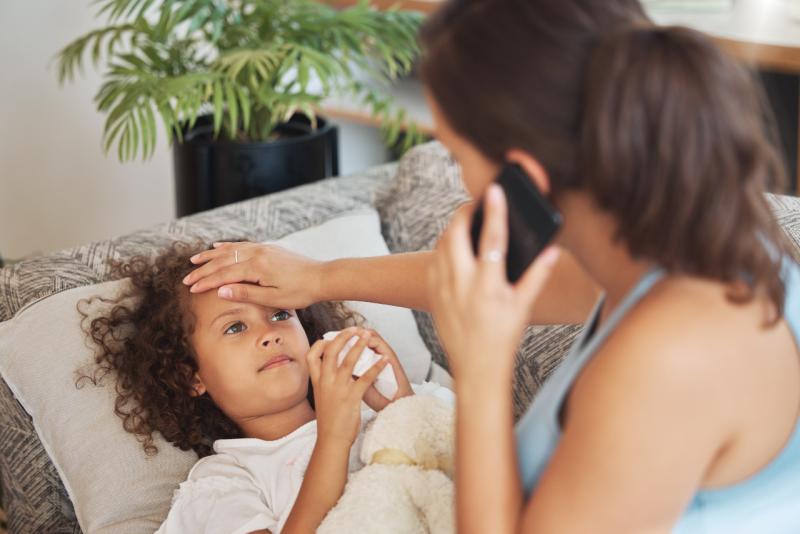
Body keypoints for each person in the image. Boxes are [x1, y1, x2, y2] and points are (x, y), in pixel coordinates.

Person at [182, 0, 800, 532]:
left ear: (522, 175)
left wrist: (479, 370)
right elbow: (462, 282)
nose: (461, 185)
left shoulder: (674, 356)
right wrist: (319, 278)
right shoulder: (673, 239)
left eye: (456, 156)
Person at [77, 240, 454, 534]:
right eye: (235, 327)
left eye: (279, 313)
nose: (270, 334)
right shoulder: (224, 481)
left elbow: (452, 481)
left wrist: (402, 410)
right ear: (193, 376)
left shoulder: (374, 412)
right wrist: (333, 439)